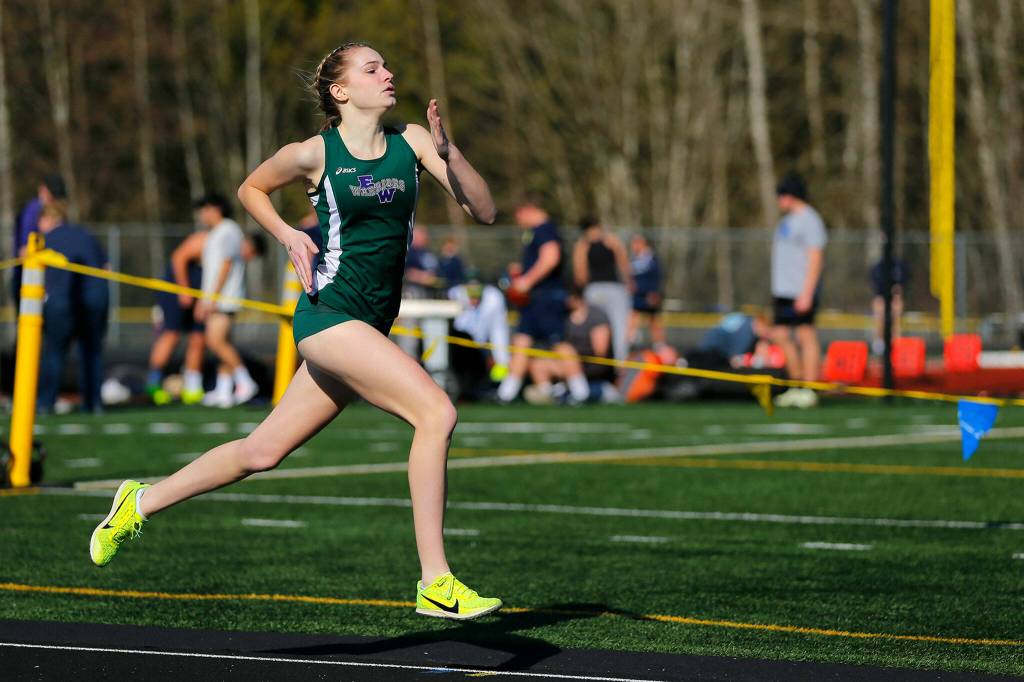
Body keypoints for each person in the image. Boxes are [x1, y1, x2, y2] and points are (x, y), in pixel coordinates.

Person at [89, 42, 501, 620]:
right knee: (437, 413)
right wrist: (287, 233)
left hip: (368, 323)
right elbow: (250, 189)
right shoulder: (313, 153)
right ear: (341, 91)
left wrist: (449, 151)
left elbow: (483, 210)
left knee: (262, 451)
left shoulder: (411, 141)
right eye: (373, 68)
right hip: (329, 317)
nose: (389, 74)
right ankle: (436, 579)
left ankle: (140, 501)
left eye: (386, 66)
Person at [496, 199, 586, 403]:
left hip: (547, 298)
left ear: (529, 209)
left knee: (560, 344)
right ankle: (506, 393)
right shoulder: (537, 231)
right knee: (521, 343)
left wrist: (527, 280)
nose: (518, 221)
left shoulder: (545, 229)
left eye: (518, 215)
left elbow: (551, 257)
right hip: (534, 301)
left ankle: (581, 391)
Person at [36, 202, 109, 414]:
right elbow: (106, 268)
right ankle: (94, 403)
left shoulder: (45, 240)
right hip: (96, 299)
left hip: (61, 302)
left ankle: (45, 404)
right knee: (92, 352)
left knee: (55, 353)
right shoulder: (87, 235)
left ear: (46, 220)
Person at [191, 193, 261, 408]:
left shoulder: (228, 231)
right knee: (223, 344)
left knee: (215, 341)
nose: (203, 214)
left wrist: (211, 298)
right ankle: (223, 391)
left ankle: (245, 381)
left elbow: (226, 264)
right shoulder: (217, 233)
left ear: (216, 209)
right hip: (217, 297)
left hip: (223, 299)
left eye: (206, 209)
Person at [770, 173, 827, 409]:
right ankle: (796, 386)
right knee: (781, 335)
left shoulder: (809, 220)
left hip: (801, 290)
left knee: (805, 335)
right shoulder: (786, 221)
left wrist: (807, 292)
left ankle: (811, 388)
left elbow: (815, 257)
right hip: (782, 289)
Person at [524, 288, 619, 405]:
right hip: (568, 363)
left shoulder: (596, 315)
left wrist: (572, 355)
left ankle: (580, 394)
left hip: (591, 366)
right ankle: (549, 395)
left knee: (566, 350)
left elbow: (600, 352)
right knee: (538, 364)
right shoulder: (563, 316)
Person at [146, 230, 209, 406]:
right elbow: (178, 257)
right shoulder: (205, 239)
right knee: (171, 334)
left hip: (200, 296)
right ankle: (153, 384)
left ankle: (192, 388)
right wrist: (183, 289)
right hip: (177, 292)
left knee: (199, 338)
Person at [573, 217, 631, 362]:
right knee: (619, 328)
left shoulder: (583, 244)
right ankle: (619, 364)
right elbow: (624, 264)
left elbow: (580, 273)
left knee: (596, 327)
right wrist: (628, 283)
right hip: (614, 289)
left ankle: (598, 363)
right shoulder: (611, 240)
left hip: (594, 290)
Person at [448, 272, 510, 397]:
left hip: (482, 349)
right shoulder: (455, 294)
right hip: (460, 347)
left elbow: (498, 330)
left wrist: (502, 360)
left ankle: (498, 391)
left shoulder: (494, 298)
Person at [12, 174, 66, 306]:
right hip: (29, 277)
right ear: (43, 190)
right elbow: (24, 249)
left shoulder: (57, 211)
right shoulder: (33, 211)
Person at [627, 233, 666, 349]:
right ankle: (629, 343)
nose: (634, 246)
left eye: (636, 243)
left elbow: (658, 276)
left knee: (654, 321)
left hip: (650, 296)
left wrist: (655, 292)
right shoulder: (633, 259)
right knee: (632, 318)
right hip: (637, 296)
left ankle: (660, 346)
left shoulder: (652, 258)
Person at [869, 256, 908, 355]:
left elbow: (904, 281)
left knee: (896, 316)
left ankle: (896, 344)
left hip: (895, 297)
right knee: (879, 314)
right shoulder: (878, 267)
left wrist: (897, 291)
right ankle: (879, 345)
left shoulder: (899, 266)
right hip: (881, 297)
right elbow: (876, 285)